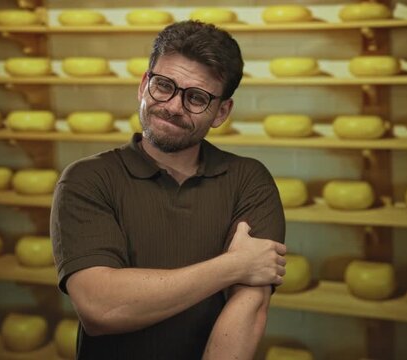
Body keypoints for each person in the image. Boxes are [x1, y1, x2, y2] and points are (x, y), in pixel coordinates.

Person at [50, 20, 287, 360]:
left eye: (196, 98)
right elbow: (100, 308)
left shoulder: (249, 180)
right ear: (144, 85)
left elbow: (250, 305)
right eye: (164, 86)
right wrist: (233, 265)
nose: (173, 106)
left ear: (221, 112)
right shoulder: (87, 179)